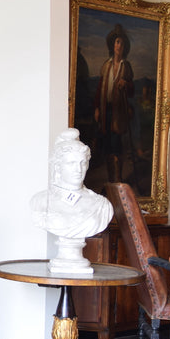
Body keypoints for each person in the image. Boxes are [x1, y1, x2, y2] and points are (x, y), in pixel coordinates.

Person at [30, 128, 113, 240]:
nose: (78, 169)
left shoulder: (101, 205)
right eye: (71, 163)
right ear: (57, 167)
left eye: (82, 163)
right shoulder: (40, 201)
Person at [93, 23, 135, 183]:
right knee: (107, 143)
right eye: (117, 42)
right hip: (106, 111)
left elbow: (131, 92)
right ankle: (111, 179)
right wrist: (97, 108)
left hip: (119, 112)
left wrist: (126, 83)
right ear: (113, 45)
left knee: (117, 143)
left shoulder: (126, 66)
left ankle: (118, 178)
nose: (119, 46)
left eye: (122, 43)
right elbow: (99, 89)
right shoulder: (106, 65)